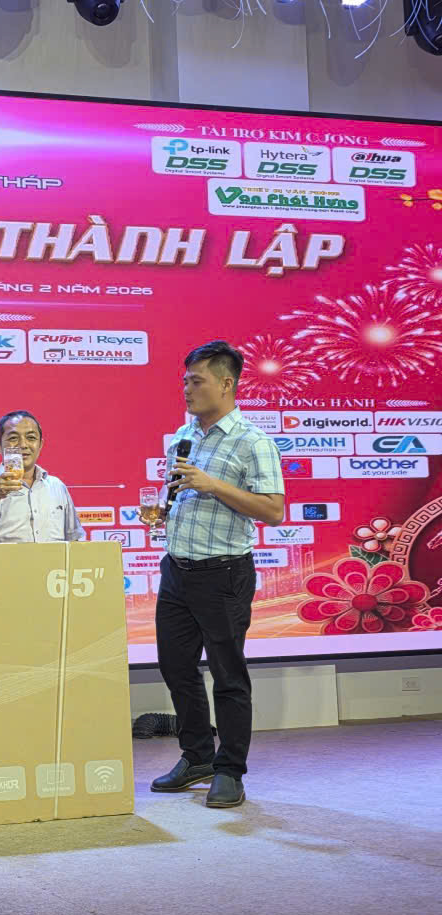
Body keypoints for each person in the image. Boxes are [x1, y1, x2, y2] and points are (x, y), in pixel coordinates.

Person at [150, 341, 284, 809]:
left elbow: (273, 510)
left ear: (226, 384)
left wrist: (213, 485)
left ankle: (230, 770)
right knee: (176, 668)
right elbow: (181, 494)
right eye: (185, 381)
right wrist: (162, 512)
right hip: (176, 570)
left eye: (197, 381)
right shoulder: (183, 436)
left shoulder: (253, 441)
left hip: (224, 573)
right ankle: (197, 757)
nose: (186, 389)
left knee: (228, 675)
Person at [0, 411, 85, 543]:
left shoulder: (57, 487)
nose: (23, 445)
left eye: (31, 438)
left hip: (53, 558)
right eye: (13, 438)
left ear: (40, 445)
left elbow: (73, 540)